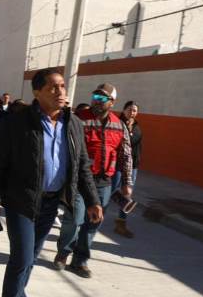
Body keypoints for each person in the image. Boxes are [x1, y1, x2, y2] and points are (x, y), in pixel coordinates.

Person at [0, 68, 101, 297]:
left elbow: (82, 165)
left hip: (51, 203)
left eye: (62, 86)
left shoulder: (73, 123)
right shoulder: (17, 122)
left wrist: (93, 200)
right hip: (21, 201)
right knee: (22, 258)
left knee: (31, 258)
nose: (61, 92)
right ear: (37, 92)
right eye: (53, 87)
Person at [54, 83, 133, 278]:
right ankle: (63, 253)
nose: (96, 101)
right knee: (75, 218)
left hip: (104, 182)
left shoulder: (119, 125)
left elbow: (125, 155)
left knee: (93, 223)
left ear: (112, 102)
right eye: (95, 97)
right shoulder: (79, 119)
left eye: (102, 98)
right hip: (79, 180)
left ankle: (80, 261)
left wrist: (126, 182)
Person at [111, 101, 142, 238]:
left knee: (127, 194)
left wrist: (136, 163)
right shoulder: (117, 124)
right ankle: (90, 217)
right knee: (111, 189)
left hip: (132, 166)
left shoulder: (137, 127)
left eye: (134, 110)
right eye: (129, 109)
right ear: (123, 110)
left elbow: (137, 147)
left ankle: (121, 224)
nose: (132, 112)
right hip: (117, 164)